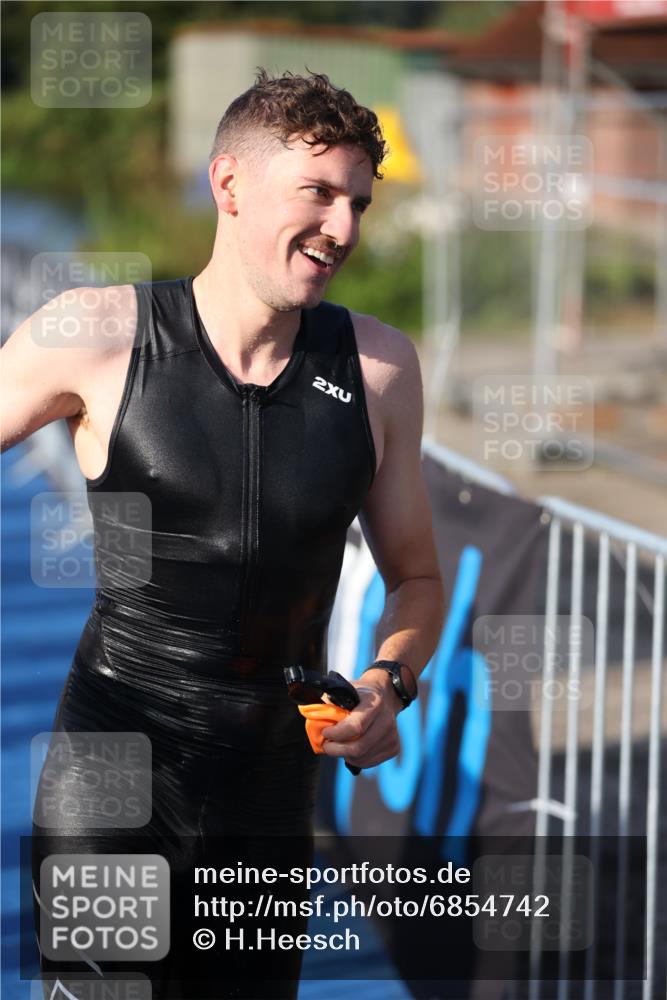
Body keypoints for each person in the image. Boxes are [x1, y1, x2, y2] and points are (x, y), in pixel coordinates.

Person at [2, 69, 445, 998]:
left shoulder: (378, 368)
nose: (344, 229)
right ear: (229, 185)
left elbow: (416, 579)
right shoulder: (94, 334)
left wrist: (388, 683)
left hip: (270, 799)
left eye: (358, 202)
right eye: (318, 193)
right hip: (114, 776)